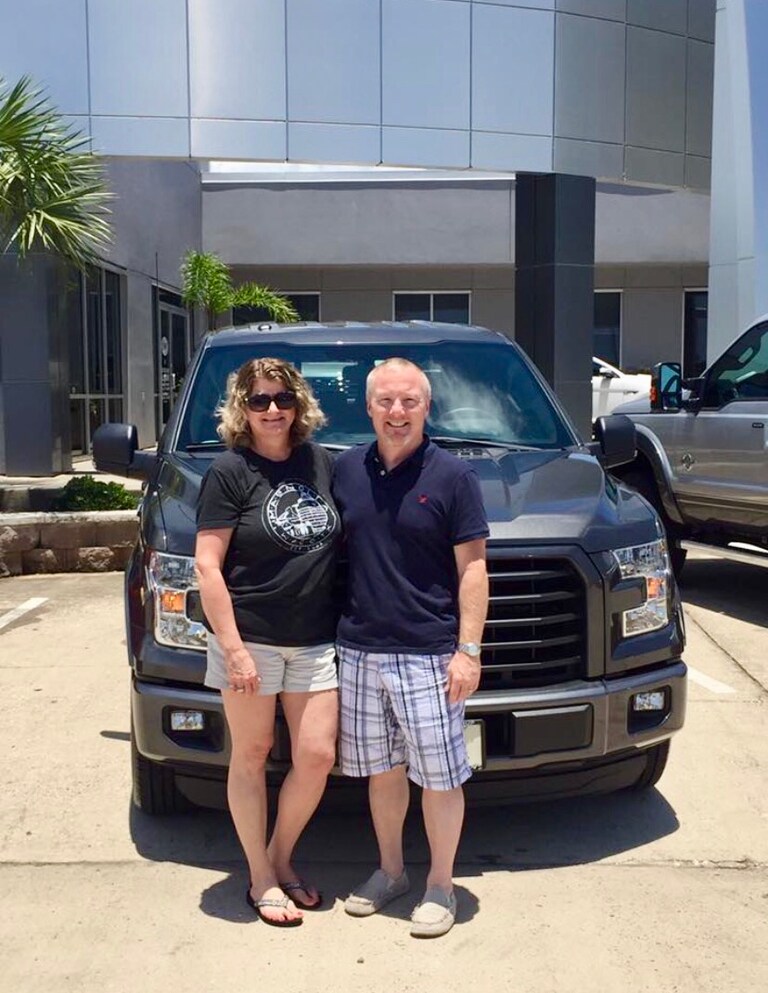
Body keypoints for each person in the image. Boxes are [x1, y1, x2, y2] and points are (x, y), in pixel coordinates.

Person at [331, 357, 489, 939]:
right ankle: (391, 871)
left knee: (441, 777)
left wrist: (466, 650)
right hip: (359, 650)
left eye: (409, 402)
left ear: (427, 407)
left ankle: (441, 886)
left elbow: (473, 569)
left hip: (428, 654)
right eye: (386, 402)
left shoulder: (453, 477)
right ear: (369, 407)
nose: (397, 413)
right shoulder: (345, 470)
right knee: (382, 772)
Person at [195, 357, 340, 928]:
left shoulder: (322, 464)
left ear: (299, 404)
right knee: (252, 756)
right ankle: (259, 877)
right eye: (260, 401)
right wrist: (231, 649)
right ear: (242, 409)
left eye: (283, 399)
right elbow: (208, 565)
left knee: (317, 755)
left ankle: (279, 858)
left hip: (314, 640)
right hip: (249, 638)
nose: (273, 410)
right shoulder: (229, 472)